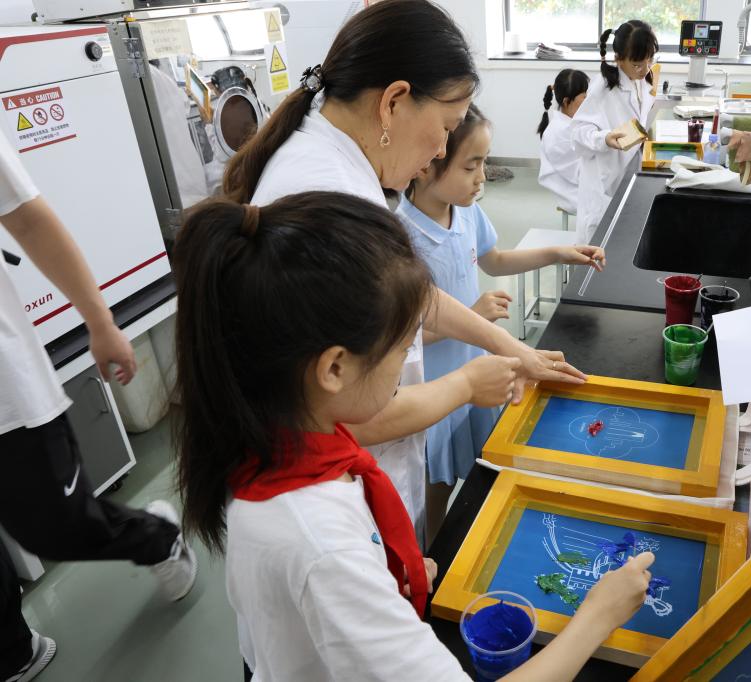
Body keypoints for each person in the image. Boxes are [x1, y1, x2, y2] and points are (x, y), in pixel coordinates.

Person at [172, 191, 654, 681]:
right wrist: (598, 617)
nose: (407, 363)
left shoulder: (286, 441)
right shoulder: (321, 546)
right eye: (404, 349)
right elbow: (328, 564)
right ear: (334, 368)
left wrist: (381, 571)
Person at [221, 0, 586, 544]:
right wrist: (466, 383)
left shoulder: (345, 168)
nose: (440, 150)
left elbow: (406, 291)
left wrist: (511, 347)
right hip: (346, 506)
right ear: (393, 102)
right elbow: (359, 413)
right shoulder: (329, 196)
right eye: (446, 127)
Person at [0, 136, 197, 682]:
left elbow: (29, 220)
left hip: (6, 396)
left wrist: (100, 321)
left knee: (56, 530)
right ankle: (12, 650)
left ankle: (159, 537)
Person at [398, 104, 605, 533]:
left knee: (482, 465)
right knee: (437, 485)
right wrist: (473, 315)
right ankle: (432, 556)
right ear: (425, 164)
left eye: (484, 163)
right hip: (436, 385)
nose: (482, 177)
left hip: (478, 372)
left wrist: (558, 253)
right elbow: (403, 335)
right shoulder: (401, 236)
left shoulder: (466, 211)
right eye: (470, 166)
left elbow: (495, 260)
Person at [571, 21, 659, 243]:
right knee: (598, 243)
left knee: (623, 241)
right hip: (604, 180)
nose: (645, 69)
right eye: (637, 64)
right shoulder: (603, 87)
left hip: (628, 171)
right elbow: (578, 131)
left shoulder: (640, 80)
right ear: (618, 59)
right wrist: (604, 138)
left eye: (650, 60)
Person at [537, 69, 590, 213]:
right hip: (574, 194)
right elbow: (579, 174)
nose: (588, 102)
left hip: (582, 183)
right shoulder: (558, 133)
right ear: (567, 102)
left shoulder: (571, 123)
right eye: (584, 97)